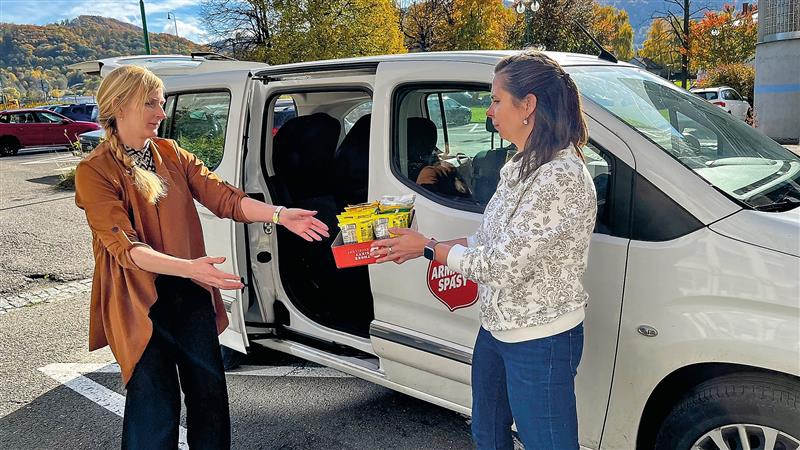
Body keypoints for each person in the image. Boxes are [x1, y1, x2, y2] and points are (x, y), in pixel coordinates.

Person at [74, 65, 329, 450]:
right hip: (139, 300)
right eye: (151, 104)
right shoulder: (94, 171)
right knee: (155, 403)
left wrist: (279, 215)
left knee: (208, 395)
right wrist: (188, 267)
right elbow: (126, 248)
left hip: (191, 291)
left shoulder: (170, 152)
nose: (161, 113)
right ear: (119, 105)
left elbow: (222, 196)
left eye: (161, 104)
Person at [370, 51, 597, 449]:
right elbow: (494, 240)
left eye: (496, 100)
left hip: (539, 338)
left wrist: (429, 250)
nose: (490, 111)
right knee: (487, 433)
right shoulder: (525, 163)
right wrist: (428, 246)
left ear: (528, 105)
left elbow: (503, 266)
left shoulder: (560, 176)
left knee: (548, 443)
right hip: (498, 327)